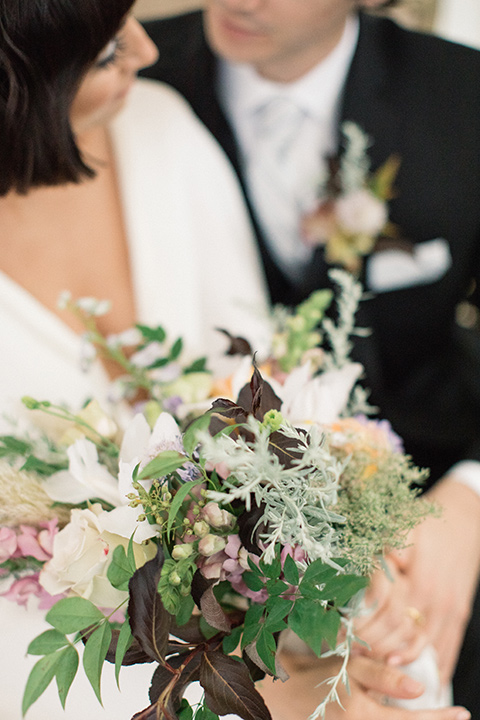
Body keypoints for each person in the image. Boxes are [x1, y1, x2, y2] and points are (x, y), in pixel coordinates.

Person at [140, 0, 480, 717]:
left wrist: (473, 495)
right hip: (212, 534)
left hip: (438, 481)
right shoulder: (135, 81)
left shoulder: (463, 96)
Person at [0, 1, 271, 717]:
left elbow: (263, 380)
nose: (148, 52)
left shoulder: (162, 125)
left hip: (257, 626)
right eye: (109, 51)